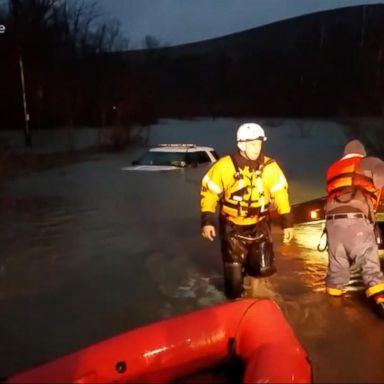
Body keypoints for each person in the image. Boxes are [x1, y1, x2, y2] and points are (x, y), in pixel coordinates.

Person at [200, 122, 294, 299]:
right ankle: (236, 303)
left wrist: (287, 222)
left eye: (259, 143)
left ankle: (257, 300)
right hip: (232, 226)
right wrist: (207, 221)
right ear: (241, 144)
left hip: (259, 224)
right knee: (234, 281)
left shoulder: (269, 167)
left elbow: (281, 194)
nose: (257, 148)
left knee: (262, 269)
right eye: (252, 144)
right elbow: (209, 193)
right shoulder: (224, 167)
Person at [324, 139, 384, 317]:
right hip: (356, 220)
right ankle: (381, 302)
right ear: (361, 153)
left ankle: (332, 307)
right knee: (369, 261)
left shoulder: (333, 168)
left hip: (332, 223)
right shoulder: (369, 162)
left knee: (337, 265)